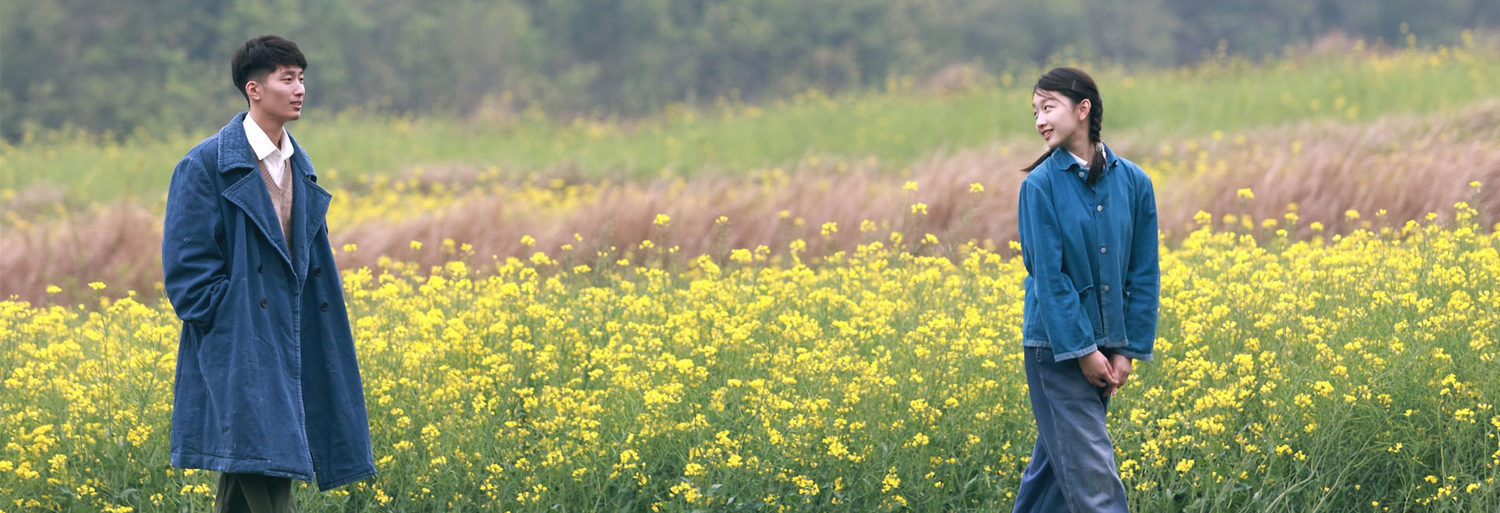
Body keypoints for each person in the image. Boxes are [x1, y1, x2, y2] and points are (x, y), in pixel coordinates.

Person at [162, 35, 375, 512]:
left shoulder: (299, 165)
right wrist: (230, 320)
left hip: (296, 336)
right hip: (242, 344)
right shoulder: (205, 165)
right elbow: (186, 273)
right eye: (288, 79)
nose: (299, 89)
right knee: (266, 462)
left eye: (302, 79)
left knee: (254, 464)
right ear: (254, 89)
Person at [1011, 67, 1160, 512]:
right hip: (1056, 353)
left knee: (1052, 484)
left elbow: (1144, 273)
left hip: (1104, 348)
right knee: (1097, 488)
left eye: (1048, 107)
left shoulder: (1134, 183)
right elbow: (1049, 278)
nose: (1039, 119)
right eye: (1035, 111)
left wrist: (1126, 348)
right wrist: (1083, 351)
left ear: (1083, 109)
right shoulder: (1039, 187)